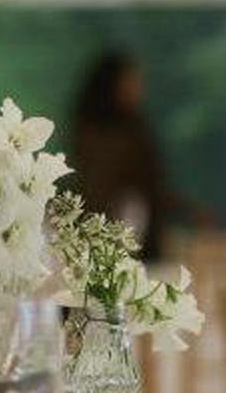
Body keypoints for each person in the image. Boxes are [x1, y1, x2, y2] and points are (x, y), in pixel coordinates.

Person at [71, 52, 203, 260]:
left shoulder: (134, 127)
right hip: (116, 235)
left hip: (140, 233)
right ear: (112, 85)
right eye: (131, 81)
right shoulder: (101, 136)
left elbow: (151, 184)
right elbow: (107, 187)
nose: (138, 88)